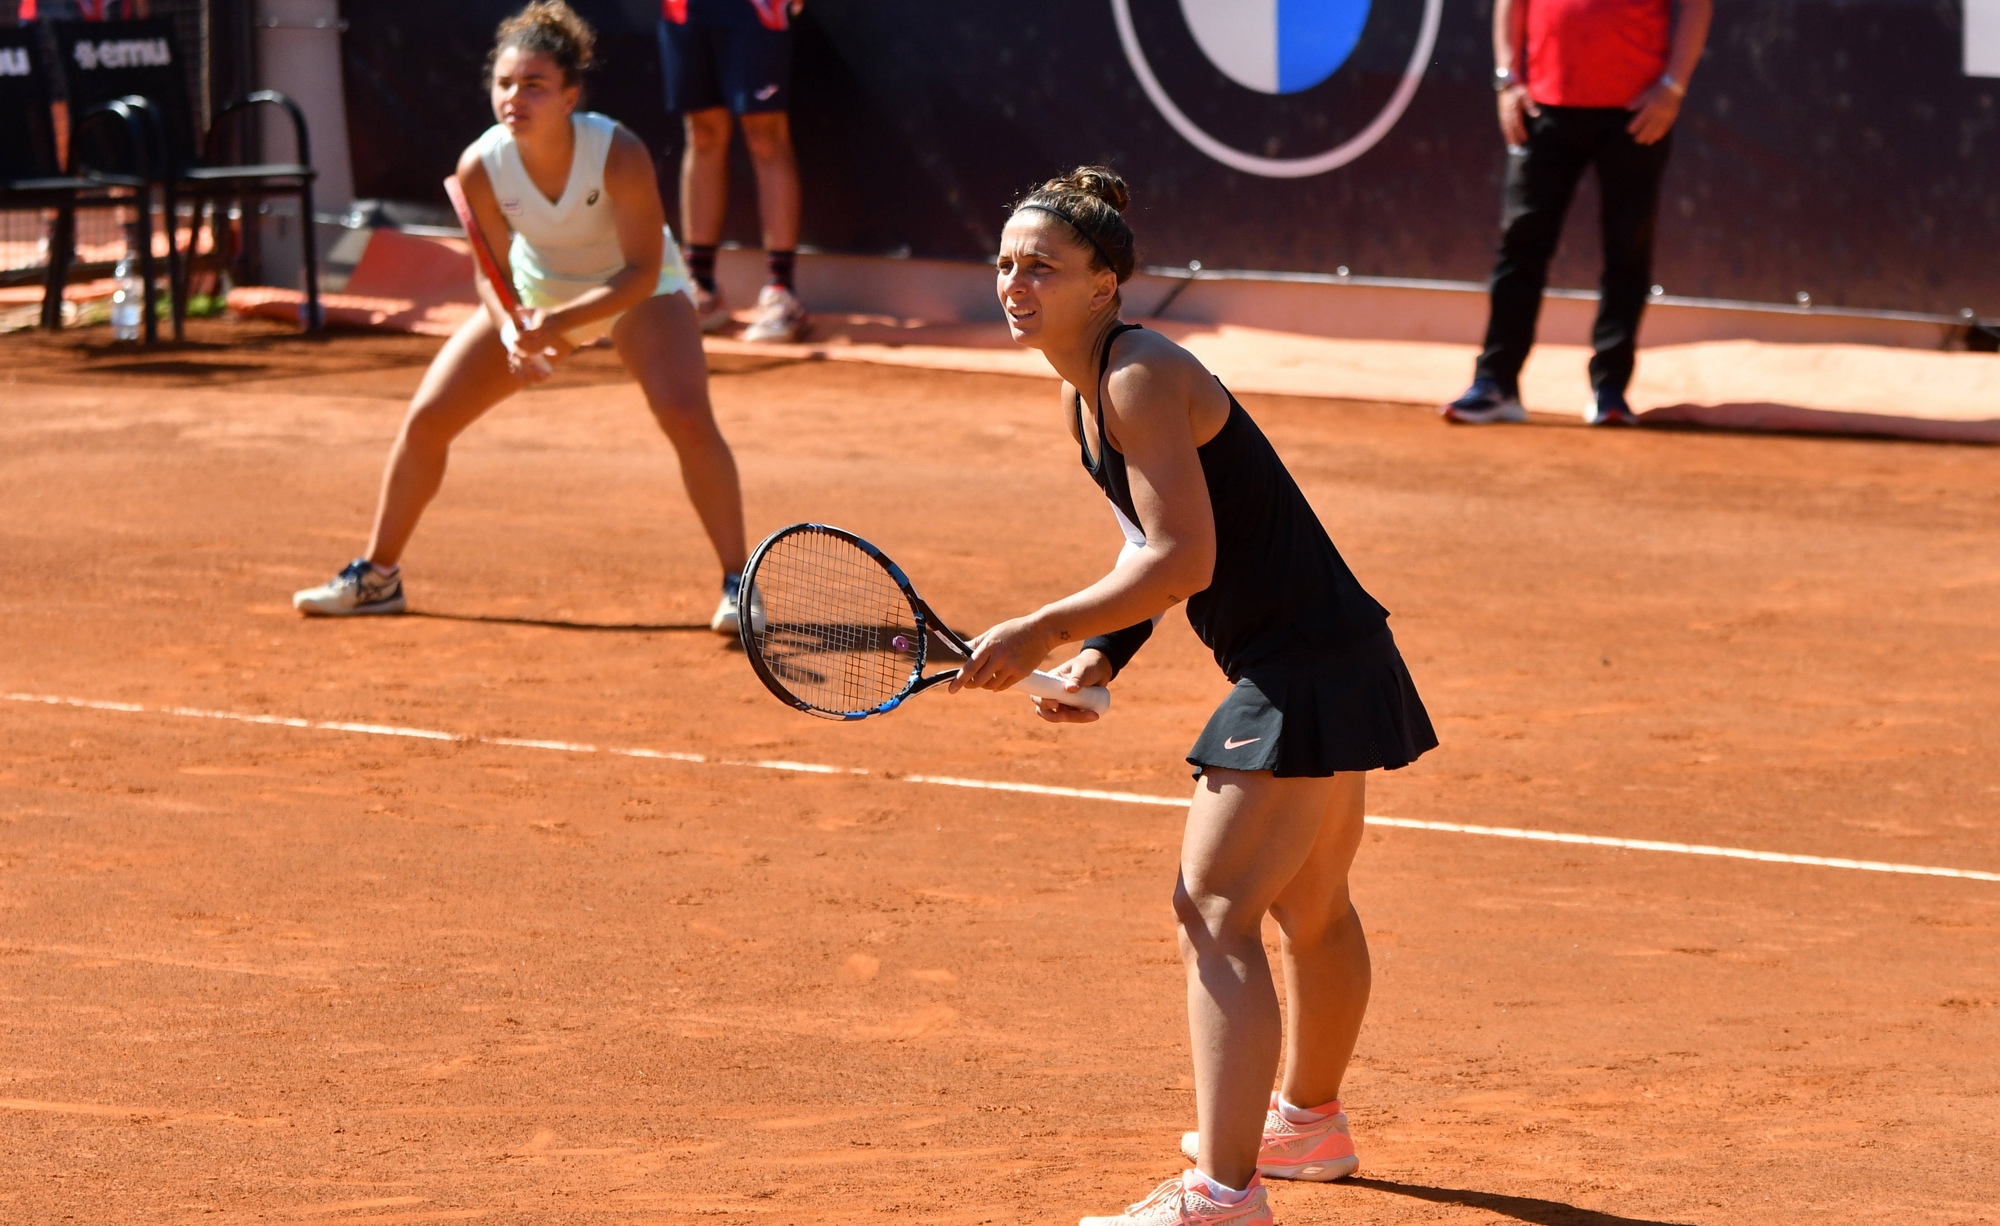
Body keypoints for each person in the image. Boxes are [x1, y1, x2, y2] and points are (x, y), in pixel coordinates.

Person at [956, 167, 1437, 1226]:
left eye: (1042, 265)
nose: (1013, 283)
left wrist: (1040, 629)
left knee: (1211, 908)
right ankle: (1307, 1123)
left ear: (1106, 284)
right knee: (1310, 906)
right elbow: (1151, 546)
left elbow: (1182, 557)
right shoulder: (1093, 392)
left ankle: (1222, 1194)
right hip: (1339, 649)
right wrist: (1102, 657)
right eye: (1003, 262)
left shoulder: (1133, 378)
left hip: (1298, 669)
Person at [293, 1, 751, 632]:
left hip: (637, 292)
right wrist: (513, 327)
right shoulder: (481, 165)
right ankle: (378, 576)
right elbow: (490, 269)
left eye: (535, 85)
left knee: (685, 415)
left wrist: (557, 326)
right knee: (427, 421)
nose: (516, 97)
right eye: (505, 84)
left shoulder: (618, 152)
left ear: (569, 96)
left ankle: (739, 584)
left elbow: (642, 270)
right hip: (538, 293)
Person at [1442, 0, 1713, 426]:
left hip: (1637, 110)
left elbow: (1697, 6)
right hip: (1542, 105)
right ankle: (1496, 384)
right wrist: (1506, 79)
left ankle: (1610, 390)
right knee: (1521, 243)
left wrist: (1673, 87)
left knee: (1628, 248)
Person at [658, 0, 807, 343]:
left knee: (764, 133)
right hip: (685, 9)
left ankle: (781, 293)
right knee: (702, 132)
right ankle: (700, 287)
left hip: (755, 7)